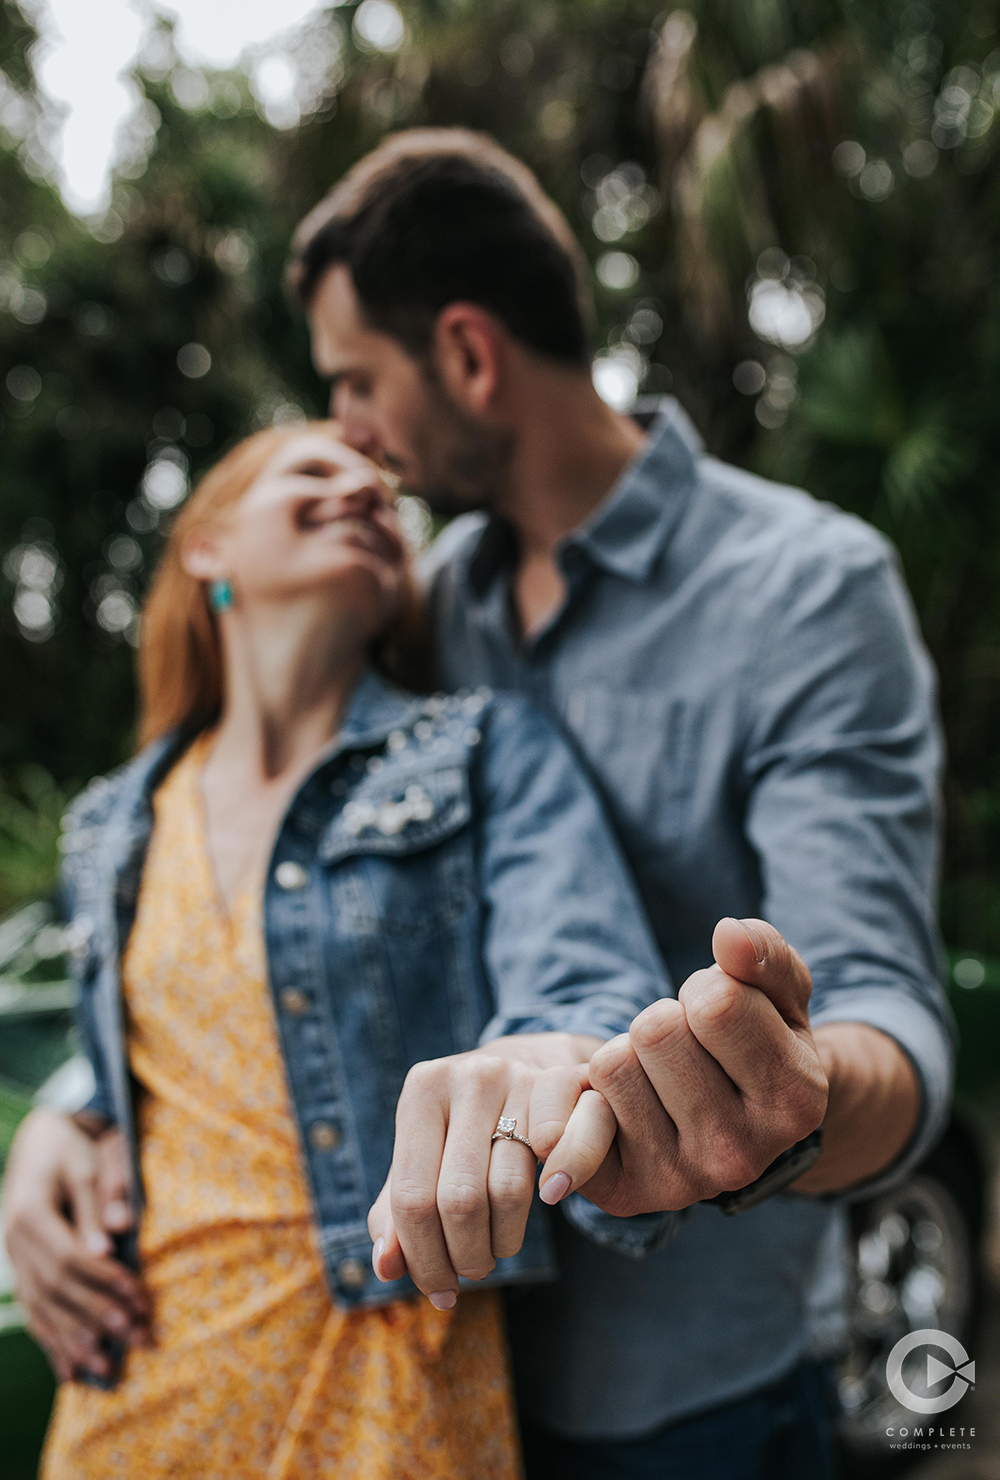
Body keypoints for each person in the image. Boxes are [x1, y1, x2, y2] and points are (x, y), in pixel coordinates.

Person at [5, 128, 954, 1478]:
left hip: (683, 1396)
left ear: (465, 354)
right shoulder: (423, 608)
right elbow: (261, 949)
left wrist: (789, 1103)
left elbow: (886, 1019)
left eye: (354, 386)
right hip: (436, 1355)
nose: (346, 439)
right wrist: (74, 1106)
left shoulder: (809, 587)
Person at [19, 419, 671, 1479]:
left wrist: (552, 1061)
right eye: (315, 473)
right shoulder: (112, 822)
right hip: (144, 1376)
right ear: (207, 548)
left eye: (382, 492)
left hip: (386, 1367)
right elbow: (141, 1049)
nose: (366, 495)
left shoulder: (485, 749)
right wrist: (58, 1120)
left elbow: (581, 986)